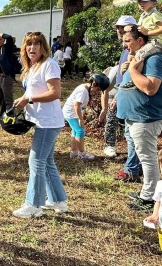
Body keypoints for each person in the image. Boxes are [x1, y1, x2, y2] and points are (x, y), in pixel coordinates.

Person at [11, 32, 68, 219]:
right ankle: (58, 200)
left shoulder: (49, 65)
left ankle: (34, 205)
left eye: (36, 44)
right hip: (40, 121)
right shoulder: (33, 67)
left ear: (43, 47)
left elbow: (55, 92)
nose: (32, 48)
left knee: (35, 161)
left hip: (48, 122)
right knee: (47, 161)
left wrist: (29, 98)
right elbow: (33, 91)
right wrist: (24, 100)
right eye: (29, 44)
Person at [116, 26, 162, 212]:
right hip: (134, 116)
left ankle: (149, 198)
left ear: (140, 40)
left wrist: (133, 69)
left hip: (146, 117)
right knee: (144, 157)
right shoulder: (138, 57)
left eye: (128, 41)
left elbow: (150, 88)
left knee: (148, 158)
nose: (125, 45)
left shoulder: (153, 58)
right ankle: (147, 192)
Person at [110, 16, 142, 178]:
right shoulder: (126, 50)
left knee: (132, 136)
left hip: (135, 101)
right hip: (124, 95)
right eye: (118, 28)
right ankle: (136, 166)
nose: (120, 30)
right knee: (130, 135)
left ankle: (132, 170)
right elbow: (124, 78)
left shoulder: (143, 54)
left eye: (124, 27)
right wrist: (117, 95)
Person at [62, 74, 110, 161]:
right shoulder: (83, 91)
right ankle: (82, 153)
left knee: (75, 131)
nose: (97, 92)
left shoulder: (86, 89)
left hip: (73, 113)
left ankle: (74, 153)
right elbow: (76, 105)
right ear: (94, 83)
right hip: (71, 113)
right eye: (98, 89)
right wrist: (81, 119)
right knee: (80, 131)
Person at [0, 33, 18, 120]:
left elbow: (9, 38)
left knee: (7, 99)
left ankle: (10, 117)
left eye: (0, 39)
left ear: (3, 40)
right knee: (1, 99)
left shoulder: (7, 48)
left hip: (5, 77)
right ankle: (3, 117)